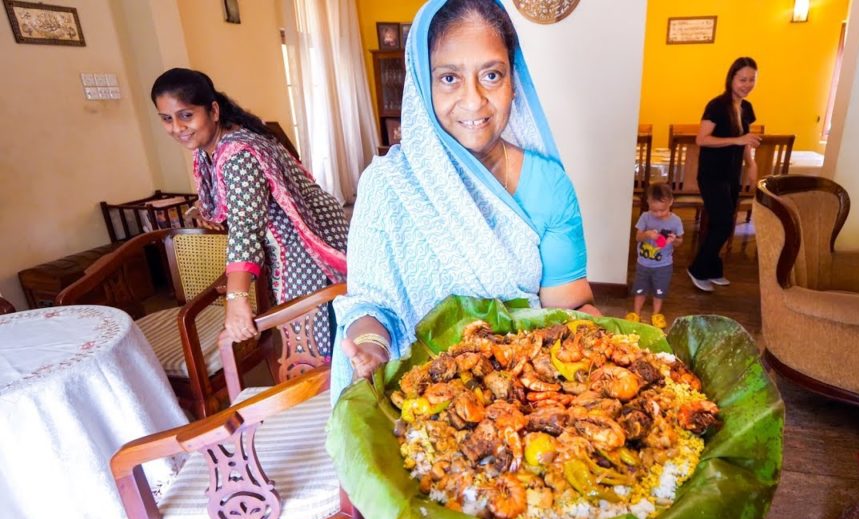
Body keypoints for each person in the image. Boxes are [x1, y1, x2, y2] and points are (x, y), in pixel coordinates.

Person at [331, 0, 597, 400]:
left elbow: (570, 309)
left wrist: (610, 346)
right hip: (417, 402)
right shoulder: (387, 185)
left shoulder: (548, 185)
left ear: (514, 81)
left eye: (491, 75)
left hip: (520, 399)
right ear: (422, 82)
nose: (473, 101)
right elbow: (371, 302)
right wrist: (372, 348)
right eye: (450, 78)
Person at [151, 68, 349, 355]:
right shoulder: (212, 145)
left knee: (322, 338)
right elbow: (233, 202)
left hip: (308, 247)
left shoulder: (238, 153)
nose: (178, 128)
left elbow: (246, 228)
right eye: (167, 119)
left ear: (213, 111)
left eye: (186, 115)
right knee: (312, 333)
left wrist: (236, 298)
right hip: (295, 241)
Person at [688, 56, 761, 292]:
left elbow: (745, 141)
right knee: (721, 223)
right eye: (742, 79)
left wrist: (751, 164)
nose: (747, 84)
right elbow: (702, 139)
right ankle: (698, 269)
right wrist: (736, 139)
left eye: (751, 80)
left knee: (726, 222)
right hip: (711, 174)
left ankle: (713, 268)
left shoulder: (747, 108)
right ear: (731, 79)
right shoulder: (717, 106)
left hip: (731, 174)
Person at [626, 183, 683, 329]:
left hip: (663, 265)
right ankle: (636, 313)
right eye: (654, 210)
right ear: (648, 203)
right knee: (640, 289)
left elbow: (679, 242)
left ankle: (656, 314)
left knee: (659, 291)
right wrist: (646, 234)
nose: (657, 214)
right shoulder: (645, 217)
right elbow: (638, 237)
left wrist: (673, 240)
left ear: (671, 201)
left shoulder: (675, 221)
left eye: (662, 210)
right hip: (643, 264)